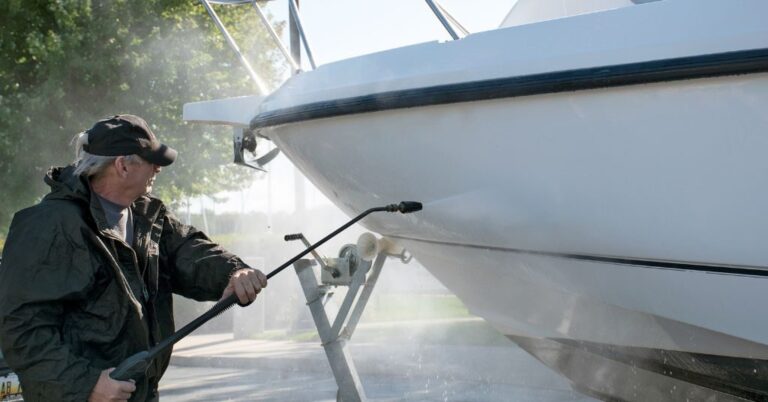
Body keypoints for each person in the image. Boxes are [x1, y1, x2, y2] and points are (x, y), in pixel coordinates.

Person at [0, 114, 267, 402]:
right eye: (151, 161)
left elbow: (188, 250)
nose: (158, 169)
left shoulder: (147, 216)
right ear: (123, 165)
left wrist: (232, 272)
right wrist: (86, 385)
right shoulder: (48, 226)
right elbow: (21, 328)